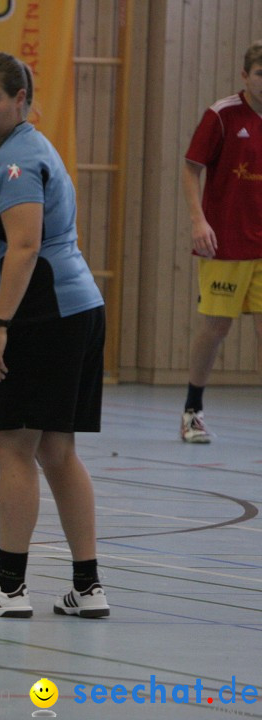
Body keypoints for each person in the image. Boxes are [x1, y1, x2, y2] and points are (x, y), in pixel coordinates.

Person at [0, 52, 110, 618]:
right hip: (78, 307)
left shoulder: (16, 163)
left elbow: (24, 246)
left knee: (13, 445)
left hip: (43, 313)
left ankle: (9, 586)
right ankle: (87, 588)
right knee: (57, 450)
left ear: (21, 99)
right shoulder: (26, 151)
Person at [178, 40, 262, 444]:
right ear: (246, 76)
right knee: (217, 327)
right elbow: (191, 168)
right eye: (260, 73)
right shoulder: (223, 114)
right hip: (226, 242)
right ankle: (192, 411)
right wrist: (199, 221)